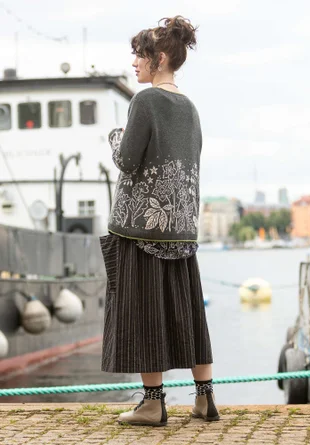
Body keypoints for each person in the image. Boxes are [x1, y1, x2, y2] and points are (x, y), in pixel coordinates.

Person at [99, 15, 220, 427]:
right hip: (180, 230)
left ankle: (152, 404)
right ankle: (205, 399)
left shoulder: (145, 101)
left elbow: (128, 160)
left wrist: (115, 136)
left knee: (145, 313)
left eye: (140, 55)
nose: (135, 63)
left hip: (141, 230)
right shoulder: (191, 108)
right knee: (187, 312)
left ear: (160, 58)